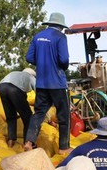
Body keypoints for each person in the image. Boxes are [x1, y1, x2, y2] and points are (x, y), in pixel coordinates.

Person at [24, 12, 72, 154]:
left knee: (38, 113)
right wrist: (61, 66)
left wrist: (42, 62)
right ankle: (64, 147)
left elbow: (29, 57)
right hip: (57, 83)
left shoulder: (37, 37)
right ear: (60, 26)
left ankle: (29, 141)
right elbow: (63, 60)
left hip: (41, 83)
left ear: (50, 23)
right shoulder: (60, 37)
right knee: (64, 115)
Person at [0, 68, 37, 148]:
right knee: (28, 118)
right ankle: (27, 143)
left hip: (2, 87)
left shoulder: (15, 73)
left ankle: (10, 142)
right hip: (14, 89)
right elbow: (40, 94)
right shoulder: (31, 77)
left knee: (11, 117)